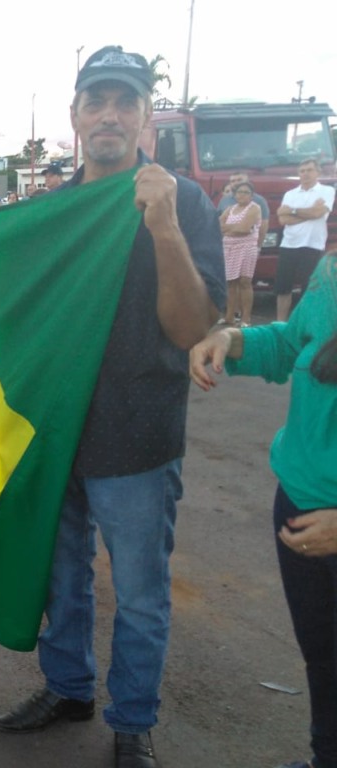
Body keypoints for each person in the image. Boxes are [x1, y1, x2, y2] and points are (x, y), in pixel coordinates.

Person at [0, 46, 225, 768]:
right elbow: (13, 318)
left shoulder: (183, 201)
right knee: (60, 576)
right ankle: (68, 688)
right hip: (57, 430)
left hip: (139, 435)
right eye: (97, 101)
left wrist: (162, 226)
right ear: (75, 117)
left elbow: (192, 331)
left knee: (141, 592)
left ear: (146, 117)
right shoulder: (52, 209)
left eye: (126, 101)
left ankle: (132, 722)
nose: (110, 115)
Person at [189, 252, 337, 768]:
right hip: (299, 502)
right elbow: (295, 345)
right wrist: (232, 339)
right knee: (323, 658)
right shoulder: (332, 270)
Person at [276, 159, 335, 321]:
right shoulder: (290, 194)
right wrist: (308, 214)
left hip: (312, 245)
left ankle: (303, 325)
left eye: (309, 170)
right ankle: (280, 324)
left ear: (318, 172)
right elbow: (283, 220)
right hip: (288, 245)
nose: (305, 174)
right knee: (283, 288)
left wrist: (293, 210)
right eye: (302, 171)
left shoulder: (327, 191)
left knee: (307, 288)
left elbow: (318, 214)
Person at [219, 181, 262, 326]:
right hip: (229, 248)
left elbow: (244, 228)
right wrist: (235, 228)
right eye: (239, 192)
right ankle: (229, 316)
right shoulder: (230, 209)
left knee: (245, 281)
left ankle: (245, 319)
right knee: (231, 282)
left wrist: (229, 228)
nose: (241, 195)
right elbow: (218, 226)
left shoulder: (254, 208)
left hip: (246, 248)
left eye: (245, 192)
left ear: (251, 195)